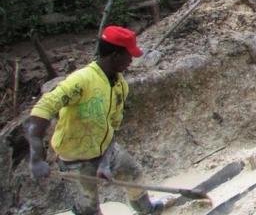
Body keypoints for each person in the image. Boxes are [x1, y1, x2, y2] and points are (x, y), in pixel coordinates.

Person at [26, 26, 165, 214]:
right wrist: (36, 158)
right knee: (88, 209)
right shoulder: (81, 81)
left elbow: (112, 127)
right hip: (75, 159)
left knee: (133, 173)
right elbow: (41, 110)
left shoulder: (120, 86)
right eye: (129, 55)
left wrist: (105, 162)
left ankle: (146, 209)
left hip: (105, 149)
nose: (131, 60)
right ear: (115, 55)